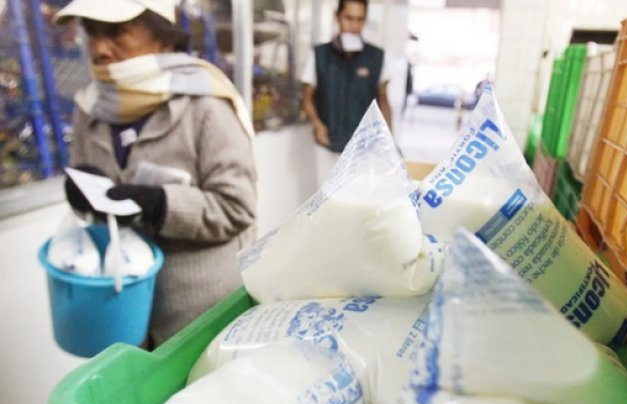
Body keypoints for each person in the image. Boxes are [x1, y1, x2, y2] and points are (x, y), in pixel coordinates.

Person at [55, 0, 258, 348]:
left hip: (199, 318)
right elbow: (96, 206)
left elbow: (237, 207)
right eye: (92, 33)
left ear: (164, 39)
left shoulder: (205, 106)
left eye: (115, 32)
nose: (100, 48)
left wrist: (159, 204)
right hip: (123, 314)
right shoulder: (91, 109)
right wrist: (83, 197)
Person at [301, 0, 393, 185]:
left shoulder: (376, 57)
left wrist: (388, 141)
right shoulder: (320, 55)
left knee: (359, 195)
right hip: (327, 145)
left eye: (360, 19)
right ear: (337, 17)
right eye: (349, 18)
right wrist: (317, 124)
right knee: (328, 195)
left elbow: (384, 100)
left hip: (363, 148)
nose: (354, 26)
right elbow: (307, 98)